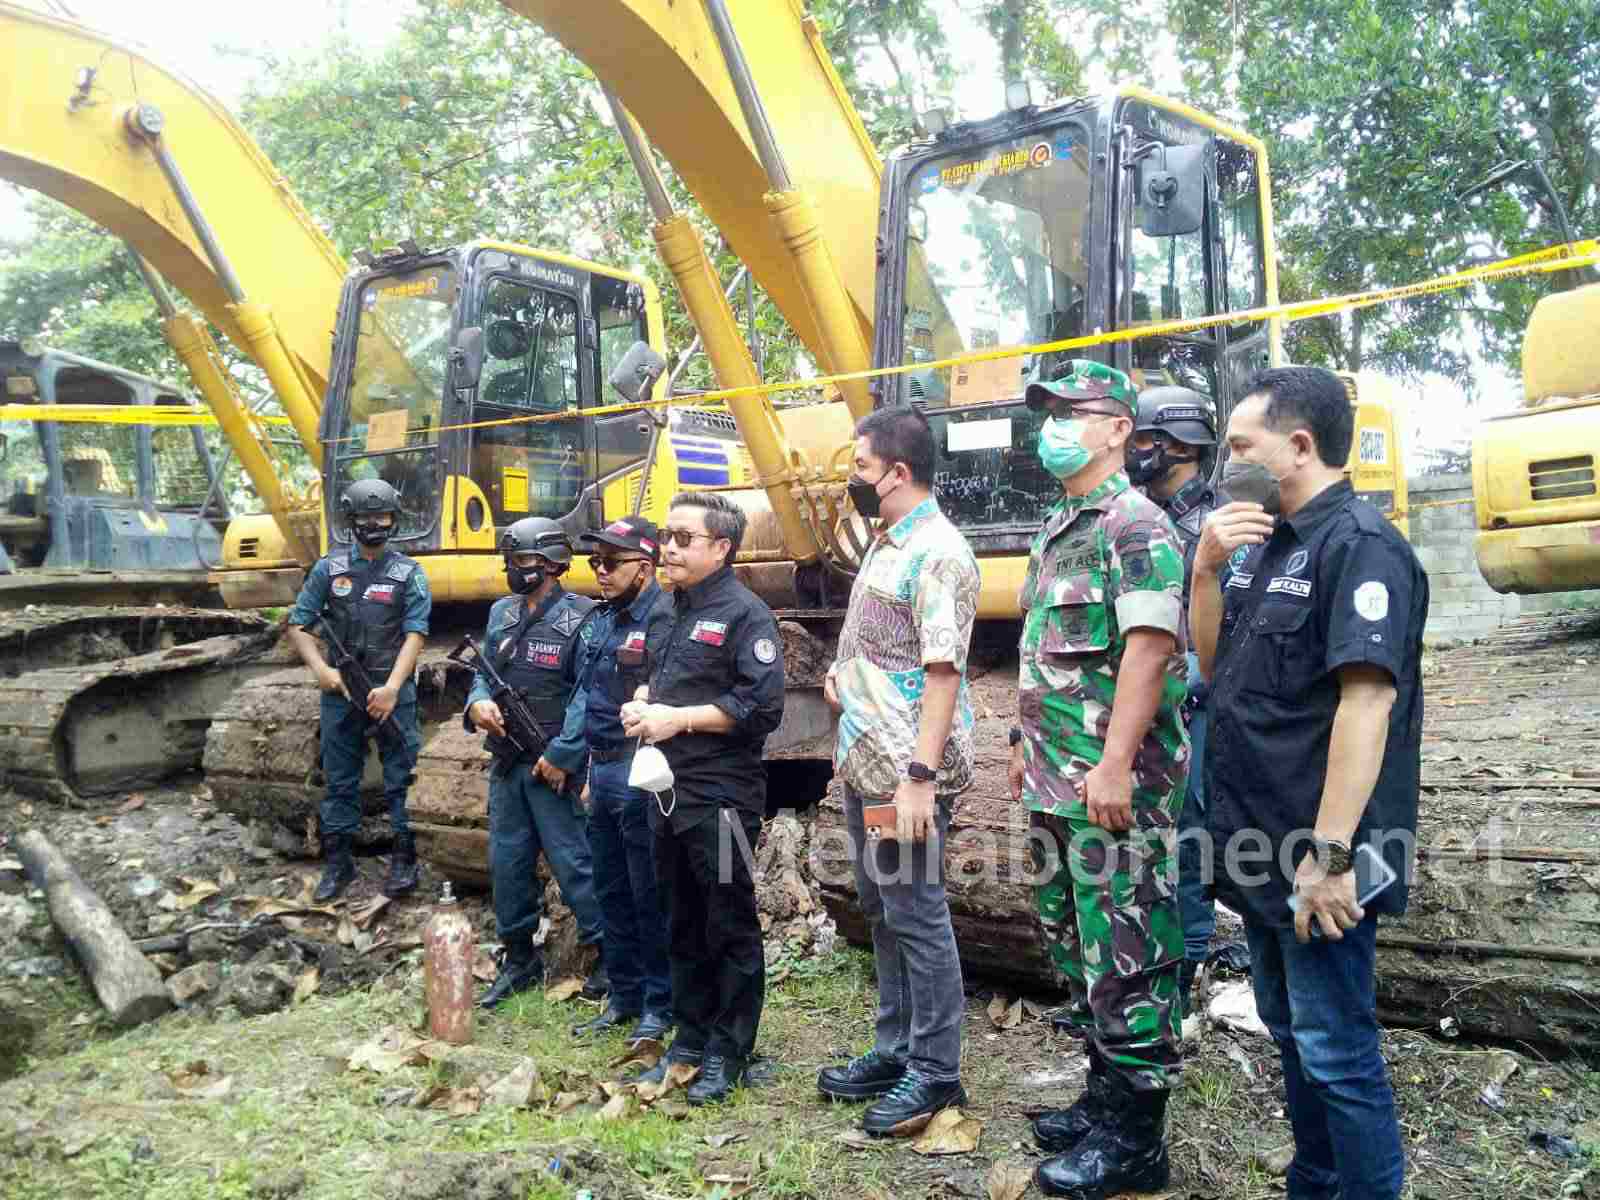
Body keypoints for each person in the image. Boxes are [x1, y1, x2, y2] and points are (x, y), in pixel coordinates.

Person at [1192, 366, 1424, 1200]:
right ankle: (1315, 1182)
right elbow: (1215, 666)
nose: (1229, 465)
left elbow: (1368, 703)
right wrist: (1206, 570)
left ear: (1298, 445)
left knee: (1337, 1048)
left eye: (1241, 447)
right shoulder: (1262, 543)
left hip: (1320, 855)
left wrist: (1329, 855)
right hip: (1260, 844)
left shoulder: (1359, 545)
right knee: (1293, 1034)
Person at [1008, 360, 1189, 1199]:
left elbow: (1150, 650)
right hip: (1055, 784)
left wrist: (1115, 763)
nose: (1054, 425)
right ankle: (1101, 1098)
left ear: (1118, 427)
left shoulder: (1136, 526)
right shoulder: (1060, 525)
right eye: (1048, 412)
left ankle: (1138, 1144)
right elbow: (1048, 659)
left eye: (1071, 412)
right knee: (1077, 950)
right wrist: (1022, 741)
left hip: (1114, 790)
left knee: (1128, 957)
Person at [817, 407, 979, 1136]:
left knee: (916, 912)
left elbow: (942, 674)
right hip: (867, 759)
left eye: (859, 468)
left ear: (898, 473)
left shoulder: (939, 552)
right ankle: (895, 1049)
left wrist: (921, 774)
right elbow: (887, 643)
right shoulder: (886, 542)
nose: (852, 480)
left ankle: (937, 1073)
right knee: (882, 909)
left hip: (903, 772)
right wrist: (840, 673)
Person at [621, 491, 784, 1106]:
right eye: (667, 536)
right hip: (666, 788)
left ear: (721, 548)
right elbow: (660, 677)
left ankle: (730, 1050)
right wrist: (642, 699)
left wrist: (677, 719)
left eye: (684, 539)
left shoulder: (747, 616)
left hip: (722, 794)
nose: (669, 548)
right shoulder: (667, 608)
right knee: (680, 914)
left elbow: (760, 707)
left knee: (727, 917)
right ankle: (690, 1037)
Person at [1125, 386, 1242, 1011]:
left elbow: (1228, 625)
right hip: (1154, 697)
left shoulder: (1217, 527)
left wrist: (1192, 673)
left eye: (1143, 440)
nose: (1134, 451)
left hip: (1196, 702)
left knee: (1189, 831)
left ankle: (1188, 966)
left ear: (1176, 444)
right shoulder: (1147, 517)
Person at [465, 517, 607, 1010]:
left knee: (575, 862)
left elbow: (587, 694)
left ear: (550, 564)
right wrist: (476, 704)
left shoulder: (584, 618)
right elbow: (482, 673)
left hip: (553, 766)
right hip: (507, 765)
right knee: (507, 863)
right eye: (510, 560)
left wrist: (562, 755)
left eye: (522, 561)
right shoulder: (501, 614)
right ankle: (520, 960)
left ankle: (608, 959)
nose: (513, 569)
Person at [286, 479, 430, 903]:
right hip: (341, 694)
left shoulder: (409, 573)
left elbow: (415, 634)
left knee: (402, 777)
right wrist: (321, 671)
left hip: (391, 692)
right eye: (366, 518)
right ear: (351, 521)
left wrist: (391, 687)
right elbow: (299, 625)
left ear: (394, 520)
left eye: (382, 517)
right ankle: (339, 864)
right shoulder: (328, 570)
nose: (374, 525)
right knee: (340, 780)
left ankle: (404, 860)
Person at [568, 516, 675, 1044]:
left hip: (641, 769)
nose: (601, 572)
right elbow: (592, 699)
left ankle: (660, 1004)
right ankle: (624, 995)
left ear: (646, 566)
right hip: (603, 767)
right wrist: (589, 770)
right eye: (596, 562)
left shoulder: (664, 617)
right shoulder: (605, 619)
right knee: (611, 889)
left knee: (646, 892)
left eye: (611, 563)